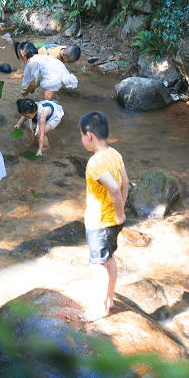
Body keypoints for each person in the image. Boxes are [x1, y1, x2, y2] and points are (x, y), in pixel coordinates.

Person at [79, 110, 129, 322]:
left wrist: (117, 214)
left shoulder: (96, 162)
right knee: (109, 259)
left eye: (81, 135)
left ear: (89, 136)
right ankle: (109, 299)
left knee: (98, 265)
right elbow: (126, 183)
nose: (82, 139)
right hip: (112, 222)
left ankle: (100, 308)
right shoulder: (115, 154)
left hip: (99, 223)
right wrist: (121, 212)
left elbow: (114, 188)